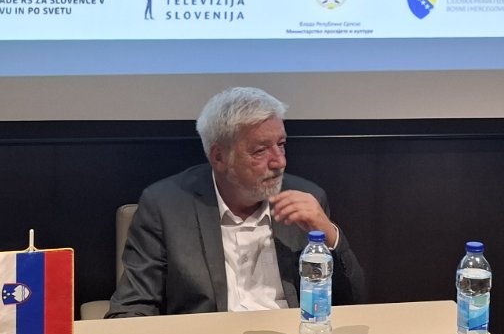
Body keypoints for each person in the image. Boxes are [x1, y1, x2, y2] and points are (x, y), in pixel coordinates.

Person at [107, 87, 366, 317]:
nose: (280, 161)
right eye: (260, 150)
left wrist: (329, 234)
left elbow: (353, 302)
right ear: (219, 157)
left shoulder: (307, 198)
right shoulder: (165, 206)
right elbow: (133, 307)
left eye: (281, 144)